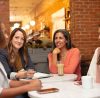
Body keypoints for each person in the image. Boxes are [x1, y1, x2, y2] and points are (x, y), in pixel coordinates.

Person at [0, 22, 42, 98]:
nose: (19, 41)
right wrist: (17, 75)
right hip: (12, 88)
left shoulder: (24, 51)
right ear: (11, 38)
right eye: (16, 37)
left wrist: (28, 72)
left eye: (22, 39)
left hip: (23, 83)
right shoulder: (3, 53)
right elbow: (7, 75)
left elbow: (31, 67)